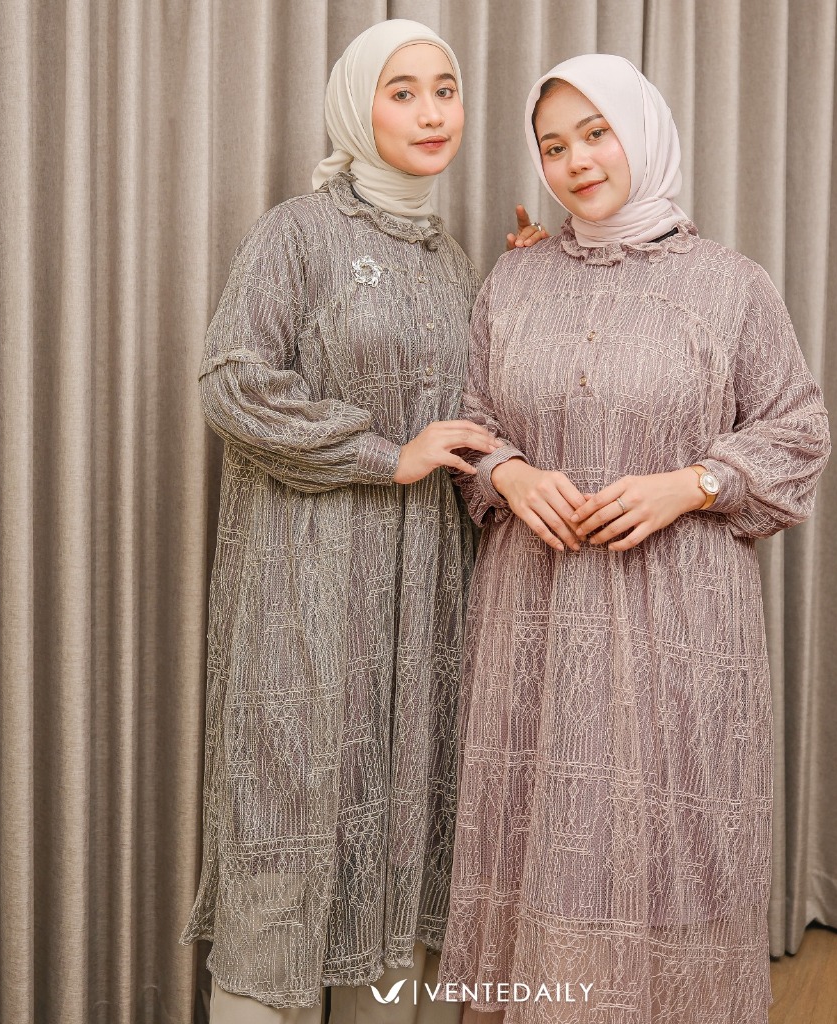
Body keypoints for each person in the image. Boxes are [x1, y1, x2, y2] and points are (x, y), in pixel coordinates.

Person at [437, 54, 831, 1024]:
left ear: (641, 134)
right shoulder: (514, 277)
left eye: (596, 133)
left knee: (672, 844)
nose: (576, 161)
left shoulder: (730, 286)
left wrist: (690, 484)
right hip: (534, 616)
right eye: (552, 146)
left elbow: (798, 430)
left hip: (679, 620)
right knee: (545, 837)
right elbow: (474, 418)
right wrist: (508, 472)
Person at [181, 20, 544, 1023]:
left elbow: (482, 410)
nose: (431, 113)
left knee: (396, 850)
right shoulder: (298, 231)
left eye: (445, 90)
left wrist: (528, 284)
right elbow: (232, 384)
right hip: (303, 592)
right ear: (357, 108)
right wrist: (389, 452)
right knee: (284, 845)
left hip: (421, 602)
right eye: (403, 91)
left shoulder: (454, 262)